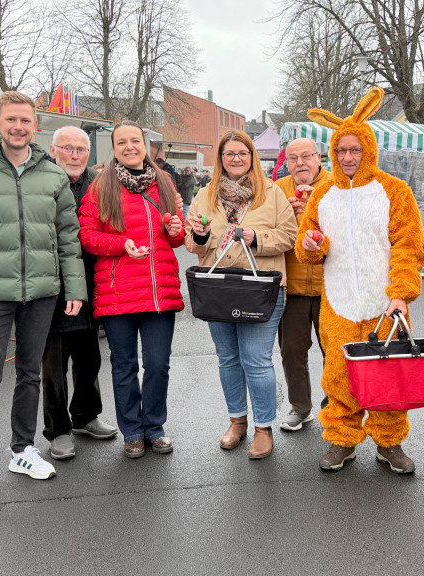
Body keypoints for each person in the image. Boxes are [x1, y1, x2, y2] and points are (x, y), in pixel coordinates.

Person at [0, 91, 86, 513]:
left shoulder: (54, 177)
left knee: (29, 374)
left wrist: (74, 289)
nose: (18, 127)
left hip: (41, 293)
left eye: (25, 120)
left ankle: (22, 449)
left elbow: (67, 240)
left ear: (34, 125)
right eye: (11, 120)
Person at [295, 87, 424, 474]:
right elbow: (308, 249)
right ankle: (341, 440)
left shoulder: (394, 191)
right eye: (341, 151)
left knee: (388, 375)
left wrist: (400, 294)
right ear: (332, 154)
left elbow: (408, 246)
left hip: (385, 303)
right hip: (338, 302)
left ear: (369, 150)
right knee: (338, 373)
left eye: (355, 150)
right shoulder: (322, 195)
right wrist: (313, 245)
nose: (348, 158)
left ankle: (389, 442)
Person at [185, 130, 297, 459]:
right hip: (218, 288)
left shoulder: (272, 194)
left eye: (242, 153)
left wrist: (255, 236)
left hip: (260, 289)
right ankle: (237, 421)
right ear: (220, 159)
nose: (236, 158)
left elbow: (288, 236)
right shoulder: (205, 195)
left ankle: (263, 427)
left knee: (257, 360)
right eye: (229, 153)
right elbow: (192, 245)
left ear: (252, 157)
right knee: (228, 359)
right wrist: (200, 234)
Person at [79, 120, 184, 459]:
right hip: (117, 292)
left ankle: (154, 427)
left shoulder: (164, 181)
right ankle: (132, 432)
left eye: (134, 140)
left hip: (158, 292)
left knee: (157, 364)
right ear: (114, 148)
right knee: (123, 365)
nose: (129, 146)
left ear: (145, 144)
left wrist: (174, 227)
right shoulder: (101, 186)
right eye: (121, 142)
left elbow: (177, 238)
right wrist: (121, 244)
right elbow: (88, 236)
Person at [42, 126, 118, 461]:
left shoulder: (100, 184)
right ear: (53, 149)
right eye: (68, 148)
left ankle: (86, 417)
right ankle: (58, 430)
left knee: (89, 358)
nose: (75, 155)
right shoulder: (40, 181)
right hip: (50, 286)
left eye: (81, 150)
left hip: (92, 284)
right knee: (54, 366)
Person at [274, 138, 332, 431]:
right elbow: (269, 228)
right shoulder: (278, 190)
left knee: (333, 351)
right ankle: (300, 407)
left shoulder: (336, 186)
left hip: (330, 288)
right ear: (286, 164)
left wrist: (318, 208)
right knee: (292, 351)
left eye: (306, 156)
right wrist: (285, 211)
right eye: (293, 158)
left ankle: (334, 405)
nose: (300, 163)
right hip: (292, 287)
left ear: (318, 157)